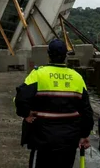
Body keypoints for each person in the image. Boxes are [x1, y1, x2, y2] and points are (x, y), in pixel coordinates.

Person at [15, 39, 94, 168]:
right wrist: (84, 135)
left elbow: (21, 98)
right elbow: (86, 111)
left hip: (43, 140)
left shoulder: (38, 75)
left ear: (48, 55)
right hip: (69, 140)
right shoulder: (77, 78)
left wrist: (26, 114)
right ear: (65, 56)